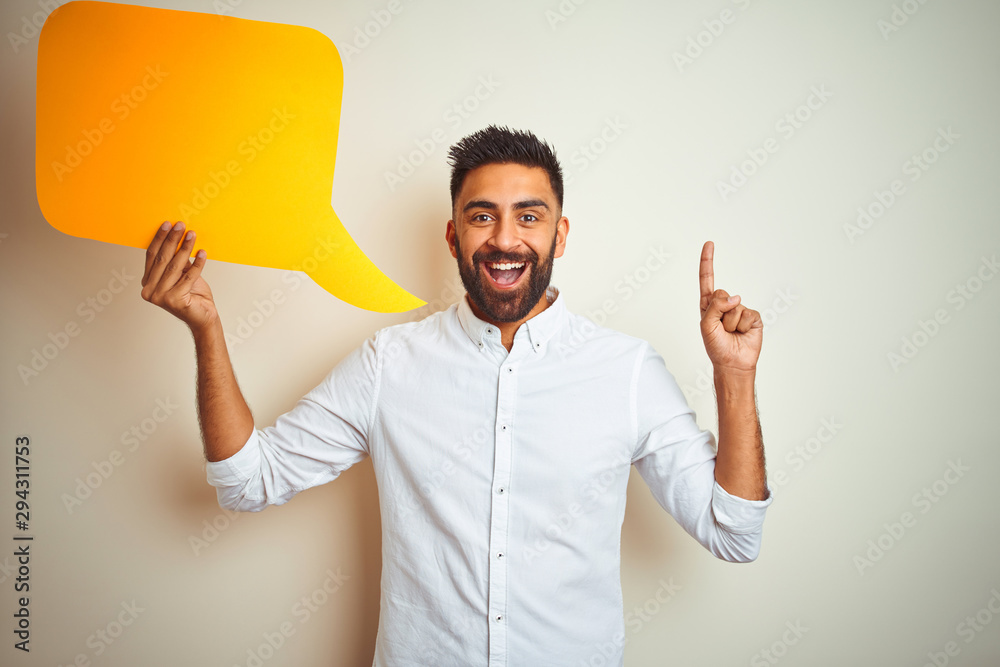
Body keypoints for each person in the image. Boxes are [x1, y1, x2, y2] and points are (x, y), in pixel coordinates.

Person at [140, 125, 772, 666]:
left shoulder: (626, 370)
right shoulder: (389, 365)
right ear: (452, 235)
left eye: (529, 215)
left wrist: (734, 378)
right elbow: (248, 481)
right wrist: (207, 327)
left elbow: (733, 533)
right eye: (481, 215)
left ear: (560, 233)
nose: (505, 238)